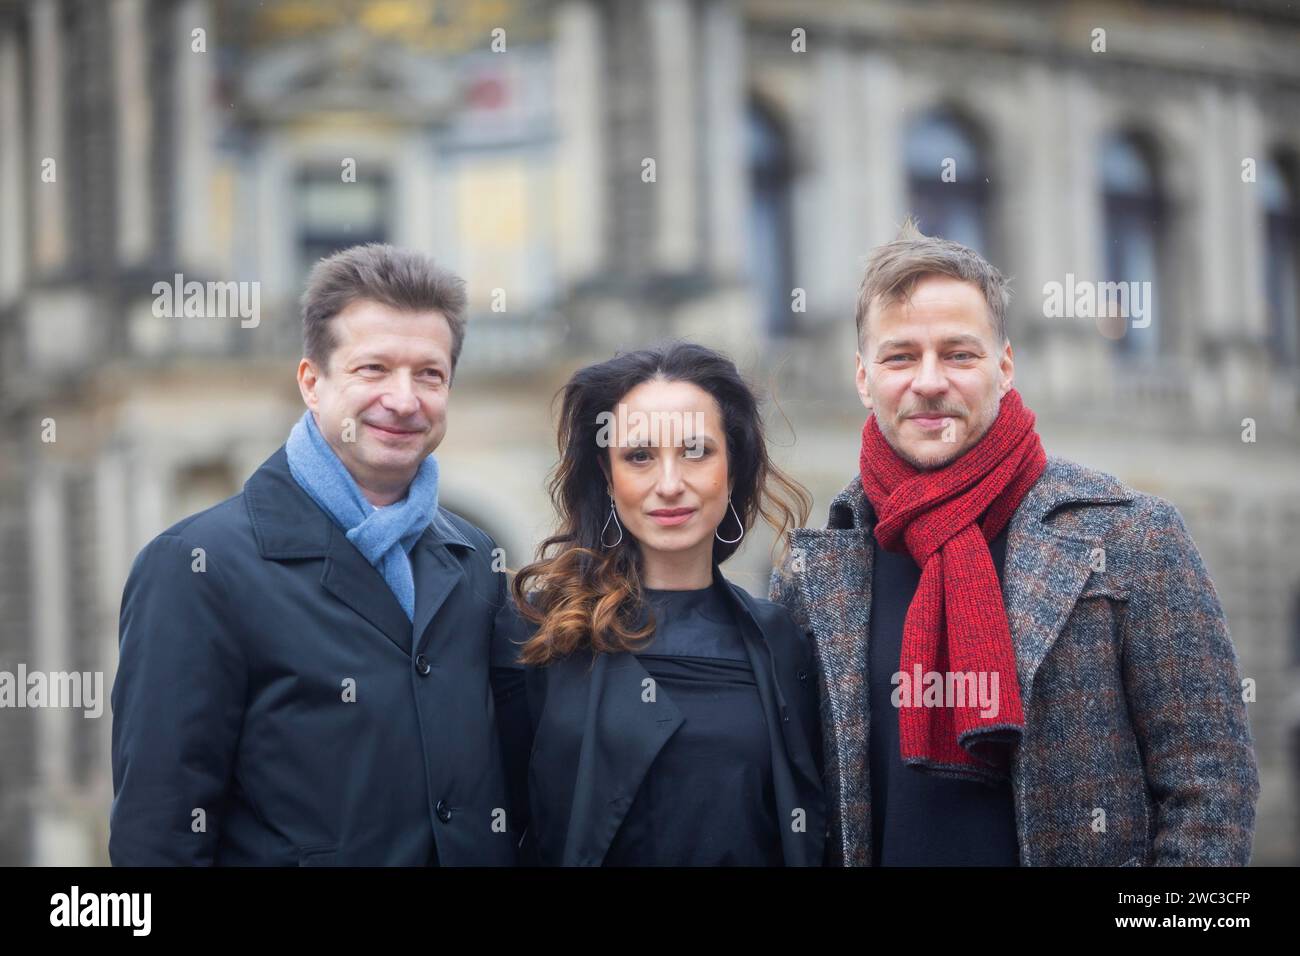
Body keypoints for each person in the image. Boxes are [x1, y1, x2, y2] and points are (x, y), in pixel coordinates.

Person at [771, 219, 1259, 866]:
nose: (929, 381)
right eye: (899, 356)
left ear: (1004, 367)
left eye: (959, 354)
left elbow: (1211, 789)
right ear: (864, 379)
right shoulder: (815, 569)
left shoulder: (1132, 535)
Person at [110, 244, 517, 865]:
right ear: (312, 383)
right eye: (373, 369)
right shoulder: (196, 566)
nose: (404, 401)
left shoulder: (473, 559)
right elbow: (157, 837)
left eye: (429, 374)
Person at [491, 341, 825, 866]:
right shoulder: (539, 630)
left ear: (732, 467)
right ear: (608, 474)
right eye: (640, 456)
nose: (669, 485)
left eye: (696, 451)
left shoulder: (784, 641)